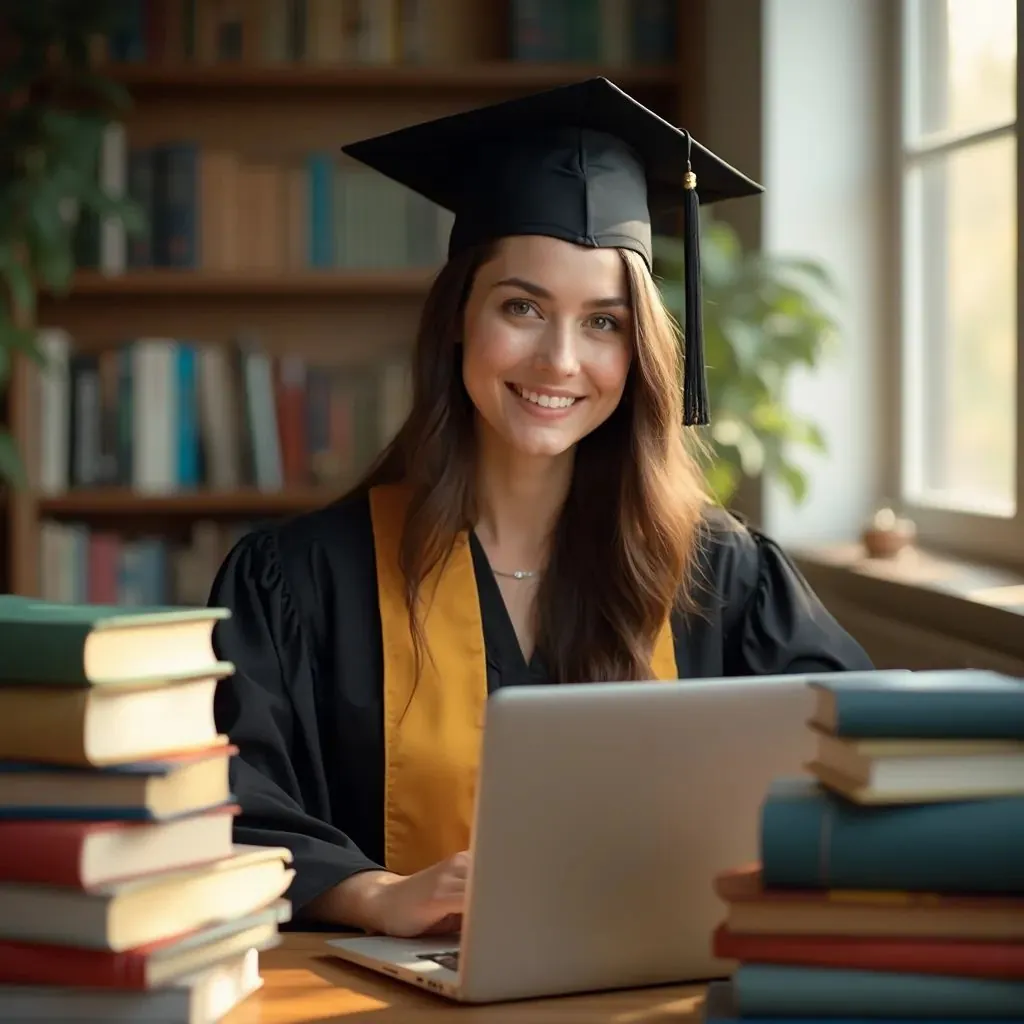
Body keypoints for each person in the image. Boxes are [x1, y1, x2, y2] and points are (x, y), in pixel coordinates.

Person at [208, 78, 873, 941]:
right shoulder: (301, 581)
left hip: (652, 990)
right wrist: (373, 893)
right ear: (458, 318)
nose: (561, 360)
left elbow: (856, 766)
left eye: (604, 322)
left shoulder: (722, 575)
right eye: (521, 307)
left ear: (642, 349)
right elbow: (222, 801)